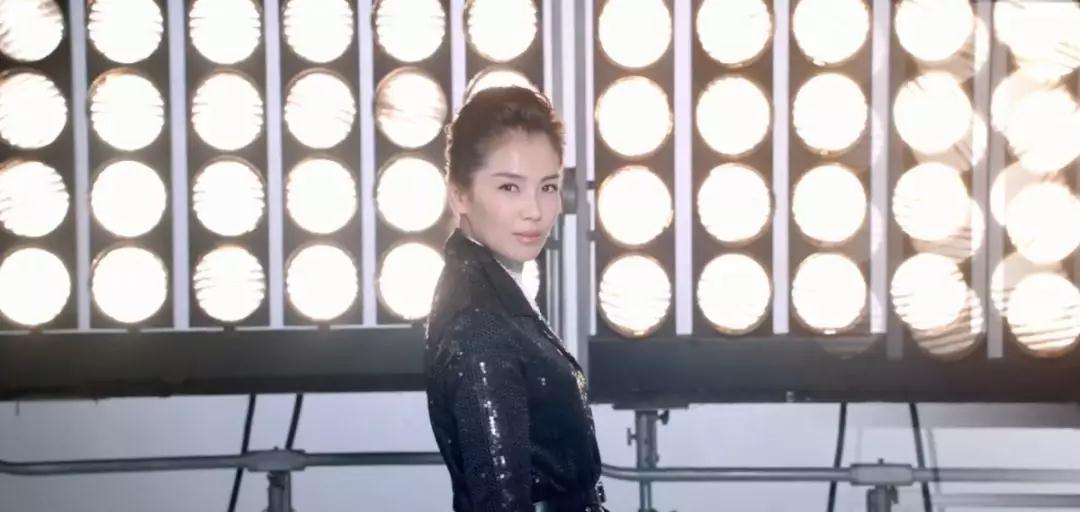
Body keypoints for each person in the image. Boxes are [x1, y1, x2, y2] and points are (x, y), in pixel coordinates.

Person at [424, 86, 607, 512]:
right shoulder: (480, 323)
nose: (535, 210)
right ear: (459, 193)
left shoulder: (490, 290)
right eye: (510, 187)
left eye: (548, 187)